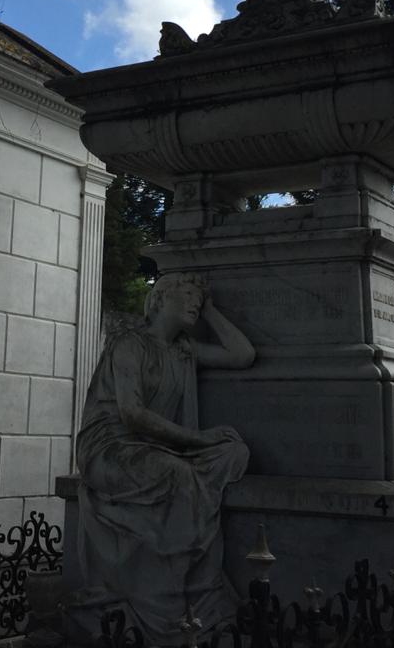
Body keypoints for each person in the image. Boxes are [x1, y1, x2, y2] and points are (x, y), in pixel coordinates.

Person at [68, 272, 256, 644]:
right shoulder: (130, 344)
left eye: (197, 301)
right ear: (158, 300)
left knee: (234, 451)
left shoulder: (183, 349)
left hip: (159, 447)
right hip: (110, 446)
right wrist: (198, 440)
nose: (193, 304)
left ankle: (186, 584)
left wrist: (212, 311)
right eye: (186, 296)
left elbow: (243, 354)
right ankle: (175, 595)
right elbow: (132, 414)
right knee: (177, 473)